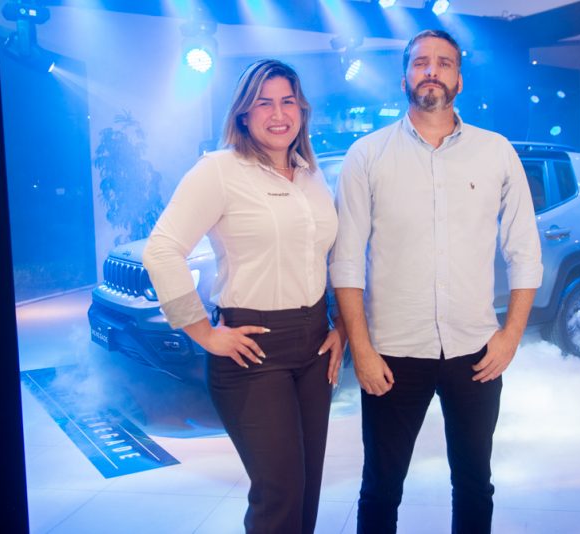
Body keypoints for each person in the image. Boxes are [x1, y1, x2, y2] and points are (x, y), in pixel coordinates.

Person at [330, 30, 543, 533]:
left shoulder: (496, 152)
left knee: (474, 484)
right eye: (420, 62)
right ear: (404, 76)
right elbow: (345, 261)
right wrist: (362, 349)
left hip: (475, 351)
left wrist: (510, 336)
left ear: (459, 80)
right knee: (380, 487)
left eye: (444, 63)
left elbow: (524, 251)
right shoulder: (367, 155)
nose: (432, 71)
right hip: (392, 352)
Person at [143, 59, 345, 534]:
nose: (278, 114)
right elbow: (162, 249)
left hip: (315, 345)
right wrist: (203, 332)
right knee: (280, 493)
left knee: (306, 489)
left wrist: (338, 325)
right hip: (254, 349)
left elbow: (325, 255)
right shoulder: (219, 170)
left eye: (288, 101)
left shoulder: (311, 174)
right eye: (264, 103)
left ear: (302, 110)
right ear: (243, 114)